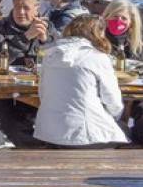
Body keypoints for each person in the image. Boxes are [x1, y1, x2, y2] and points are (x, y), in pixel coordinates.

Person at [34, 15, 129, 148]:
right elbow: (113, 102)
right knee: (127, 132)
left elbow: (43, 93)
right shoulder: (97, 57)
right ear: (98, 32)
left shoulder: (51, 55)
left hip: (49, 133)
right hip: (85, 135)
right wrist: (113, 117)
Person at [0, 0, 57, 147]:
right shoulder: (1, 28)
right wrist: (26, 37)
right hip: (5, 88)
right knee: (10, 118)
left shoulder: (48, 26)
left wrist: (45, 41)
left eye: (26, 7)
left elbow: (60, 56)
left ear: (37, 8)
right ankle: (36, 149)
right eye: (17, 7)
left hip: (39, 87)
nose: (20, 12)